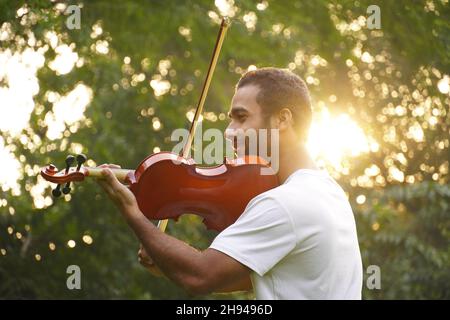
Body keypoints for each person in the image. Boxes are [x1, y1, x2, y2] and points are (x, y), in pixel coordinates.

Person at [97, 67, 363, 299]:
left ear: (282, 119)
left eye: (242, 117)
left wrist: (132, 212)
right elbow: (255, 276)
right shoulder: (330, 193)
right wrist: (167, 260)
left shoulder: (285, 203)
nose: (228, 132)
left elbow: (201, 277)